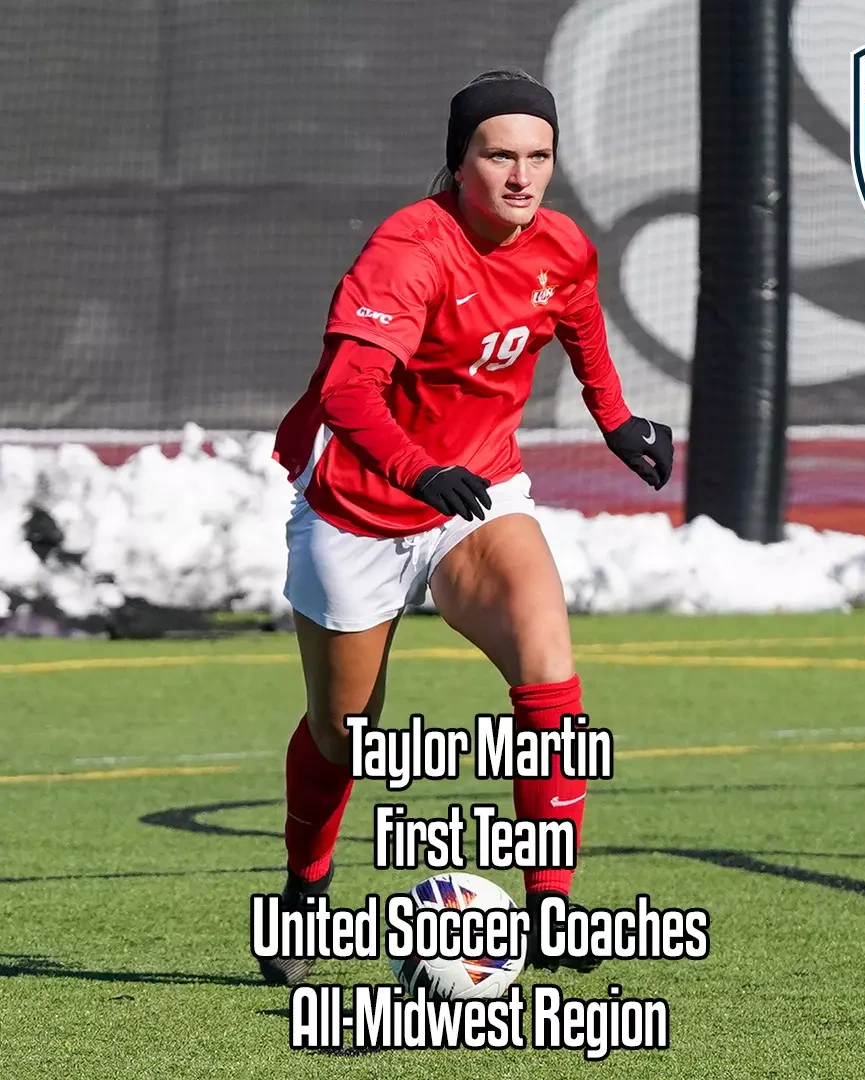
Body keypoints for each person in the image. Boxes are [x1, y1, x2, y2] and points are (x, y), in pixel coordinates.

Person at [256, 69, 673, 985]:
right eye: (499, 155)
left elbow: (579, 323)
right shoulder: (409, 249)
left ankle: (551, 912)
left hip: (478, 494)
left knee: (548, 661)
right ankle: (304, 886)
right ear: (458, 161)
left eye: (539, 156)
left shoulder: (562, 245)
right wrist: (416, 469)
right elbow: (347, 392)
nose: (521, 176)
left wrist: (616, 421)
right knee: (344, 733)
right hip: (361, 506)